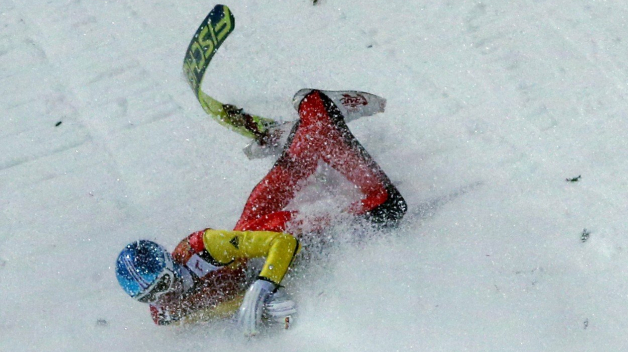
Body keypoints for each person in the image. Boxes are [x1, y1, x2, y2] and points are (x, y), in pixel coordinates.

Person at [115, 89, 407, 336]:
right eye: (148, 298)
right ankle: (300, 137)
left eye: (163, 285)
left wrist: (264, 285)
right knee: (294, 170)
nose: (162, 298)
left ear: (170, 265)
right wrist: (256, 298)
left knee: (387, 209)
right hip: (252, 231)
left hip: (267, 233)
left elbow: (282, 244)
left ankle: (316, 111)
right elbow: (218, 305)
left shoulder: (205, 249)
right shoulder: (166, 314)